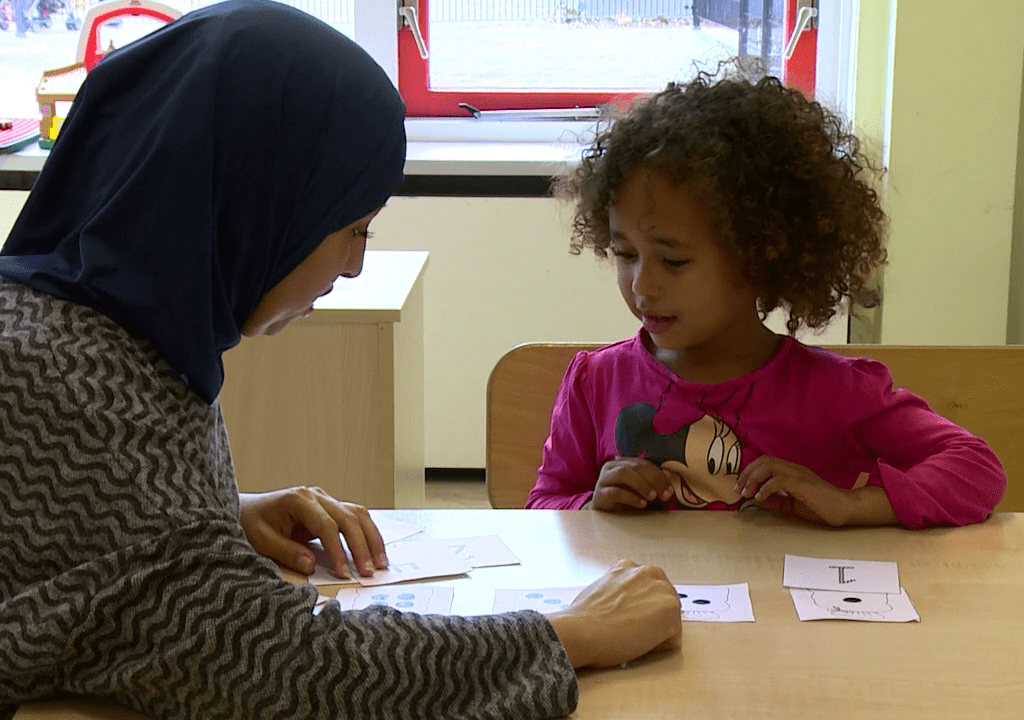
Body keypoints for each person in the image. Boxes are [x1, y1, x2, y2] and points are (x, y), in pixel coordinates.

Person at [0, 2, 682, 718]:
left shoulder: (94, 328)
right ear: (256, 205)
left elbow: (75, 539)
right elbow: (280, 668)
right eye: (354, 227)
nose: (356, 265)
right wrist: (572, 633)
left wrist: (212, 520)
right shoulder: (76, 384)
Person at [526, 69, 1007, 528]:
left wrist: (851, 504)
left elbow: (977, 469)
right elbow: (543, 507)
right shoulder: (595, 383)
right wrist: (589, 505)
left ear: (760, 258)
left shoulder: (835, 392)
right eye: (625, 253)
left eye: (673, 262)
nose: (641, 285)